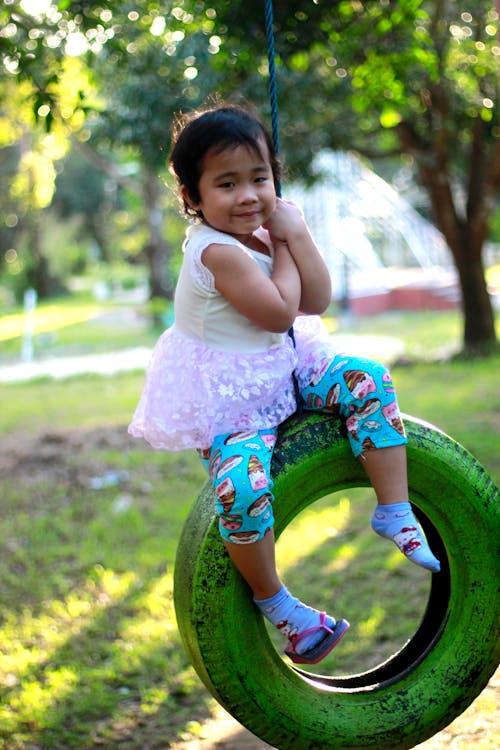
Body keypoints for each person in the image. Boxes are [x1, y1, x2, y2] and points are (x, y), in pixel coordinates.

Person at [129, 103, 441, 666]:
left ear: (275, 175)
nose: (248, 195)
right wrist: (285, 243)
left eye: (259, 178)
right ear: (193, 198)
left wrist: (295, 235)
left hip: (292, 368)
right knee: (242, 493)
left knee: (367, 378)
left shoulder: (263, 226)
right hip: (236, 402)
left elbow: (315, 302)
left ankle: (394, 509)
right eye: (226, 183)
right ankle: (281, 607)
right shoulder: (216, 249)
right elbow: (278, 312)